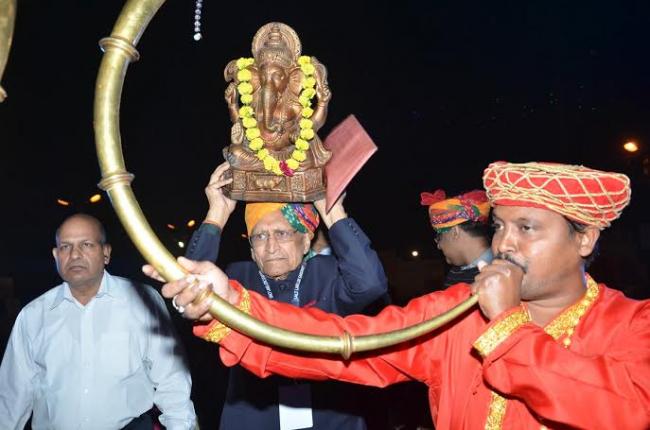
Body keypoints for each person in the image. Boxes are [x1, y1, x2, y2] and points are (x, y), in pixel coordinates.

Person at [153, 161, 650, 429]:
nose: (504, 244)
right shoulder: (456, 314)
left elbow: (625, 411)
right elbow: (346, 342)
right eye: (500, 227)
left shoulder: (635, 327)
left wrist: (508, 331)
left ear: (584, 239)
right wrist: (231, 304)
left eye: (527, 228)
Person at [181, 162, 388, 429]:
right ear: (252, 250)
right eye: (260, 237)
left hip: (331, 416)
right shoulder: (237, 279)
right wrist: (217, 214)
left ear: (305, 242)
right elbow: (188, 288)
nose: (270, 247)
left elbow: (370, 284)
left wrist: (332, 209)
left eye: (282, 233)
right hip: (254, 416)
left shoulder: (327, 275)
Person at [0, 214, 196, 430]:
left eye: (86, 244)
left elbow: (172, 379)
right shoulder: (33, 315)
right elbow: (12, 397)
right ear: (56, 255)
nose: (74, 254)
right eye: (65, 247)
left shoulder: (141, 302)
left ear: (106, 253)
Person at [420, 189, 493, 287]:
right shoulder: (455, 274)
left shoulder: (502, 276)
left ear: (455, 232)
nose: (439, 246)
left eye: (439, 237)